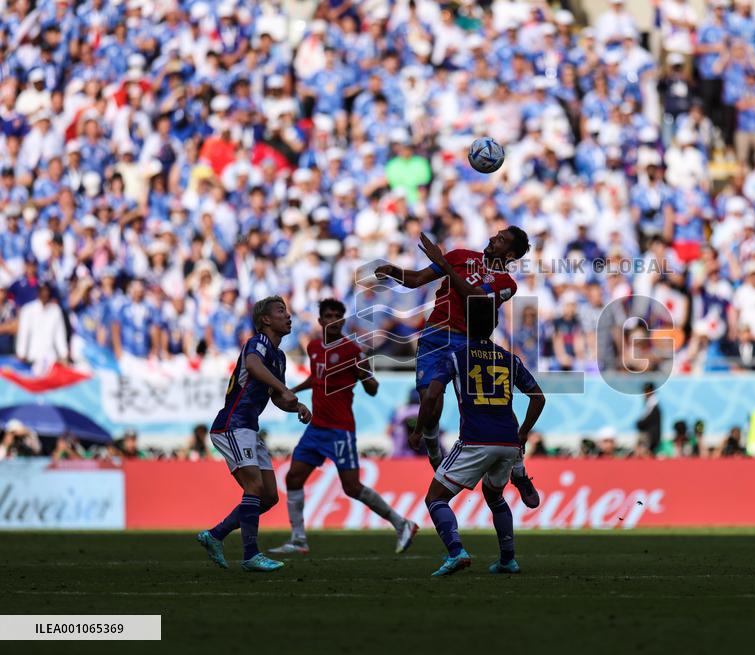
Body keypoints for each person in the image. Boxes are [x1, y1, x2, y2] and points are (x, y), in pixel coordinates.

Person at [374, 229, 540, 508]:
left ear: (510, 255)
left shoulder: (507, 283)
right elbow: (416, 280)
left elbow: (473, 296)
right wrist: (392, 270)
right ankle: (431, 444)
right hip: (435, 336)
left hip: (470, 342)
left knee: (495, 407)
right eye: (495, 235)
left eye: (500, 240)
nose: (491, 239)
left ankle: (519, 470)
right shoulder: (461, 255)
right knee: (429, 399)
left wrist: (445, 264)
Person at [270, 299, 418, 556]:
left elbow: (373, 389)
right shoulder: (313, 347)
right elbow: (317, 377)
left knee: (351, 487)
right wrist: (291, 390)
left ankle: (401, 523)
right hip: (316, 428)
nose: (334, 320)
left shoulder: (352, 350)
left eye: (338, 316)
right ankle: (298, 539)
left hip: (340, 429)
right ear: (320, 321)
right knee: (293, 477)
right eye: (329, 315)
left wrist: (364, 376)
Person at [410, 296, 545, 576]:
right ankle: (508, 559)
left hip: (475, 440)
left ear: (466, 324)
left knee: (435, 498)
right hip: (509, 442)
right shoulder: (510, 359)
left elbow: (433, 395)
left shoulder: (455, 357)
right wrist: (523, 432)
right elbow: (538, 398)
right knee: (494, 495)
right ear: (495, 324)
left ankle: (456, 551)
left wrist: (419, 430)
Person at [196, 296, 312, 573]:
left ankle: (215, 535)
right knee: (255, 487)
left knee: (269, 496)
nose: (288, 315)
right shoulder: (257, 342)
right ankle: (250, 555)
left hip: (249, 427)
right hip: (232, 424)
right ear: (266, 320)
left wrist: (296, 404)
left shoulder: (280, 356)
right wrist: (282, 389)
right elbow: (254, 367)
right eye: (281, 311)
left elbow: (277, 397)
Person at [635, 382, 662, 454]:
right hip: (651, 438)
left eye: (646, 391)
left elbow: (644, 422)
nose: (644, 394)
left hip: (651, 439)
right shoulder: (650, 404)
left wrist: (639, 423)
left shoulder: (653, 405)